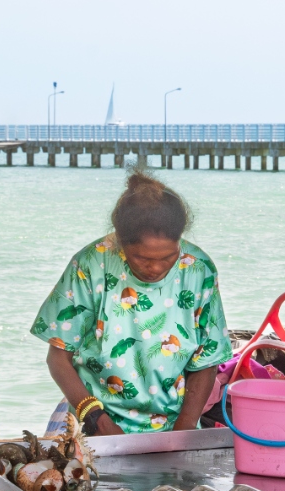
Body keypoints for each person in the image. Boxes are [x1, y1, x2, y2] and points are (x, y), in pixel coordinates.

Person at [30, 170, 232, 435]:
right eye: (142, 258)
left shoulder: (199, 269)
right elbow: (58, 358)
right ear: (120, 242)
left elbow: (206, 361)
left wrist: (182, 433)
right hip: (94, 419)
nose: (155, 268)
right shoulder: (91, 264)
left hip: (174, 425)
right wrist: (96, 418)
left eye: (168, 257)